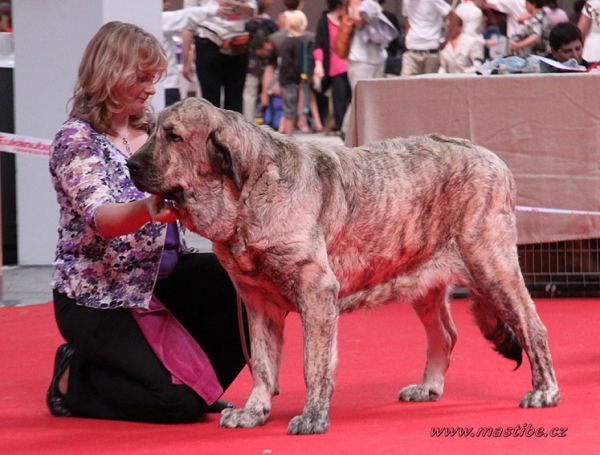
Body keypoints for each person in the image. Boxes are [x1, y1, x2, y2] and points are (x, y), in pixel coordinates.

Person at [46, 21, 249, 423]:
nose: (152, 88)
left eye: (154, 78)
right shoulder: (76, 139)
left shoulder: (155, 129)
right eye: (142, 78)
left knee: (248, 280)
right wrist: (149, 208)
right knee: (176, 407)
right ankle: (73, 376)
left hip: (161, 277)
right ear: (109, 73)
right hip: (99, 295)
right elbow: (102, 219)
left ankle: (202, 385)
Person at [181, 0, 257, 114]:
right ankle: (211, 131)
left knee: (235, 101)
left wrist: (235, 4)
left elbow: (253, 10)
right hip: (208, 38)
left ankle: (233, 131)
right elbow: (188, 21)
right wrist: (185, 59)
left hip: (237, 41)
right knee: (210, 100)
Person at [162, 0, 233, 106]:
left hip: (164, 84)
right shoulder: (161, 20)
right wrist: (213, 9)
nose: (168, 4)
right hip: (168, 85)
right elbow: (187, 15)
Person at [313, 0, 352, 137]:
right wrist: (318, 64)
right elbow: (319, 45)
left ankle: (350, 126)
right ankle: (339, 126)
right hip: (335, 65)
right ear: (339, 6)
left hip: (351, 63)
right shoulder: (324, 22)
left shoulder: (348, 20)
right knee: (339, 97)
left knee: (352, 96)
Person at [400, 0, 460, 76]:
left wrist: (447, 39)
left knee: (430, 85)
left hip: (431, 49)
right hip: (412, 49)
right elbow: (409, 19)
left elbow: (453, 15)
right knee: (405, 83)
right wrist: (407, 36)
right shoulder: (407, 1)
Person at [242, 0, 278, 122]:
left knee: (249, 95)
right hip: (268, 65)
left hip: (250, 64)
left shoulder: (247, 24)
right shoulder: (271, 24)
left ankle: (248, 123)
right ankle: (270, 121)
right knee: (268, 93)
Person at [278, 10, 309, 135]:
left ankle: (283, 133)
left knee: (287, 110)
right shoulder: (299, 43)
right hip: (291, 81)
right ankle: (288, 138)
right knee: (290, 111)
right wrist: (299, 78)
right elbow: (297, 64)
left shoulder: (285, 41)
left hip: (285, 79)